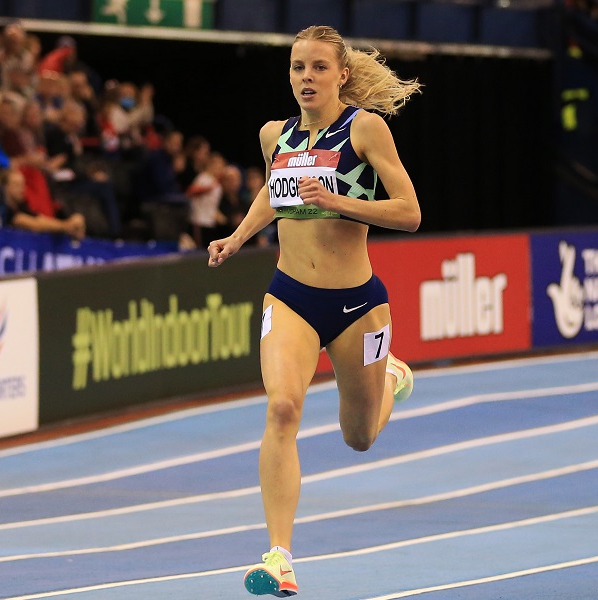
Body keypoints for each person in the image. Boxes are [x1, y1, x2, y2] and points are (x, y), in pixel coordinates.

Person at [205, 25, 421, 597]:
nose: (306, 78)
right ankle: (280, 557)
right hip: (291, 295)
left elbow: (409, 212)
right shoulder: (274, 135)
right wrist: (237, 235)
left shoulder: (365, 129)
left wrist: (340, 201)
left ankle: (391, 375)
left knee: (359, 438)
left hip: (357, 307)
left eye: (319, 68)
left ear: (341, 75)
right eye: (298, 67)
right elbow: (272, 192)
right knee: (282, 408)